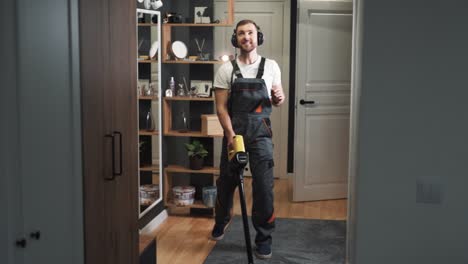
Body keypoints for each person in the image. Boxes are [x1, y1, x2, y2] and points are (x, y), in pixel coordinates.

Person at [210, 19, 285, 260]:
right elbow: (221, 108)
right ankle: (221, 221)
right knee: (227, 182)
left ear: (258, 36)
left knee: (264, 187)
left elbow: (276, 98)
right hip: (236, 131)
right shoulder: (226, 70)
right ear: (236, 39)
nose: (246, 37)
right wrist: (231, 135)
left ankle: (264, 238)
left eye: (250, 33)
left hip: (261, 132)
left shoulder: (271, 66)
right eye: (241, 33)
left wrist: (279, 97)